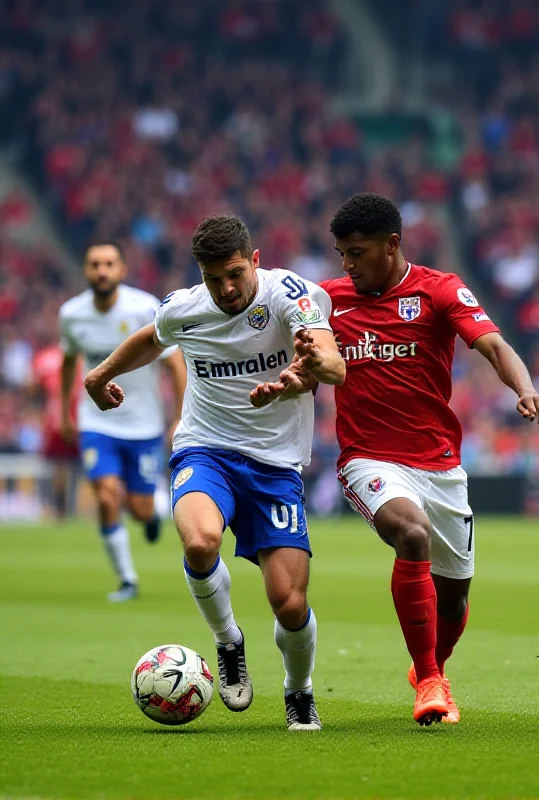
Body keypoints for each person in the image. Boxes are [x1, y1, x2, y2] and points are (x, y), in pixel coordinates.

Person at [253, 193, 539, 726]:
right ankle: (432, 680)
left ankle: (430, 669)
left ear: (392, 245)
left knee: (455, 601)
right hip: (368, 459)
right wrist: (285, 384)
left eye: (357, 252)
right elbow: (306, 362)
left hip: (440, 462)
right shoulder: (326, 300)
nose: (346, 264)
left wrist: (525, 389)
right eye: (341, 254)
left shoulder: (439, 289)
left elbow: (493, 345)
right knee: (411, 534)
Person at [84, 215, 345, 731]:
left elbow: (334, 365)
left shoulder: (292, 295)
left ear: (255, 260)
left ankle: (299, 690)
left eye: (234, 275)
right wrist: (100, 375)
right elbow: (151, 338)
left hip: (275, 463)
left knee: (289, 603)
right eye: (212, 278)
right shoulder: (186, 307)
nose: (225, 289)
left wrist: (299, 376)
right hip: (206, 449)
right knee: (201, 542)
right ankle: (228, 640)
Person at [59, 241, 186, 602]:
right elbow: (68, 362)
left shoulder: (145, 307)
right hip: (96, 421)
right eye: (94, 264)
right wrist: (64, 411)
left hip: (144, 425)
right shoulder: (71, 314)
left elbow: (174, 364)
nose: (102, 270)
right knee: (106, 495)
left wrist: (179, 415)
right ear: (86, 270)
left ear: (122, 270)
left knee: (141, 506)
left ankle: (149, 518)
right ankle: (127, 579)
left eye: (109, 264)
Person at [30, 336, 82, 517]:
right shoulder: (51, 358)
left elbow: (31, 388)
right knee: (62, 466)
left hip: (69, 419)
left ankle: (67, 508)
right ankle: (62, 508)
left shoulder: (47, 358)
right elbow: (32, 388)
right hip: (64, 419)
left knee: (66, 466)